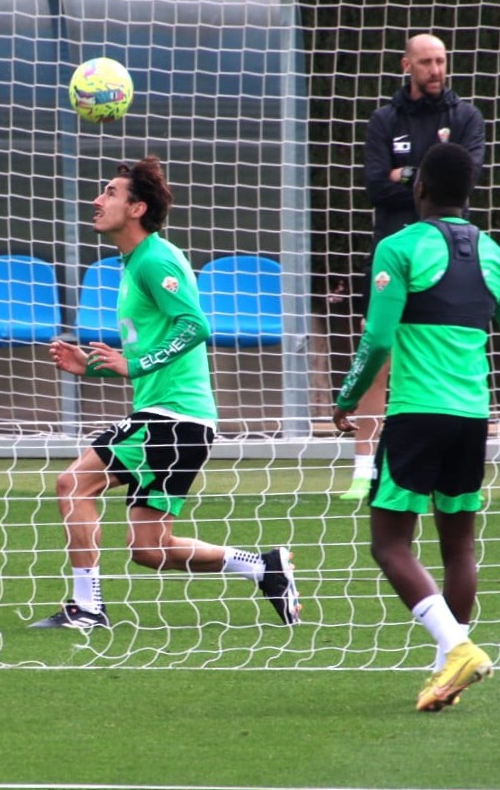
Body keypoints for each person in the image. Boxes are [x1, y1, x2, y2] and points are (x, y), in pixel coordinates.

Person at [31, 156, 300, 630]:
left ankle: (87, 607)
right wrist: (94, 367)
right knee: (151, 549)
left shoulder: (156, 258)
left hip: (172, 419)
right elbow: (157, 351)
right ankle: (263, 567)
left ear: (136, 209)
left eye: (110, 192)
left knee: (73, 483)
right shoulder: (133, 263)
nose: (97, 200)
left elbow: (194, 326)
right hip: (177, 419)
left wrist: (132, 364)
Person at [333, 142, 500, 711]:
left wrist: (347, 397)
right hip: (472, 419)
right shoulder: (496, 255)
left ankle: (456, 647)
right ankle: (445, 671)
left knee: (389, 544)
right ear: (467, 194)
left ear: (418, 188)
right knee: (458, 547)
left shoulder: (398, 247)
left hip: (417, 415)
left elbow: (376, 339)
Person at [342, 33, 486, 500]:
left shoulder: (465, 116)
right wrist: (425, 175)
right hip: (392, 250)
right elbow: (374, 187)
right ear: (406, 65)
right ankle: (363, 467)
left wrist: (403, 174)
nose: (435, 69)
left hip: (447, 255)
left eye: (441, 60)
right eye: (425, 62)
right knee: (378, 351)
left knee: (444, 349)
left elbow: (463, 180)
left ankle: (440, 458)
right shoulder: (385, 119)